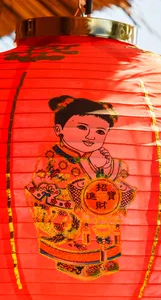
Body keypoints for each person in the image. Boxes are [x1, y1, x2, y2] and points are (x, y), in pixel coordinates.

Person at [26, 95, 136, 280]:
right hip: (65, 208)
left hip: (95, 207)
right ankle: (72, 262)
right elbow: (41, 183)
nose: (90, 136)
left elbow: (115, 178)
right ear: (59, 130)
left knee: (102, 232)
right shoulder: (53, 157)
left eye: (100, 132)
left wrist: (106, 168)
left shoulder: (101, 157)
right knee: (75, 236)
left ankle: (103, 258)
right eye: (82, 128)